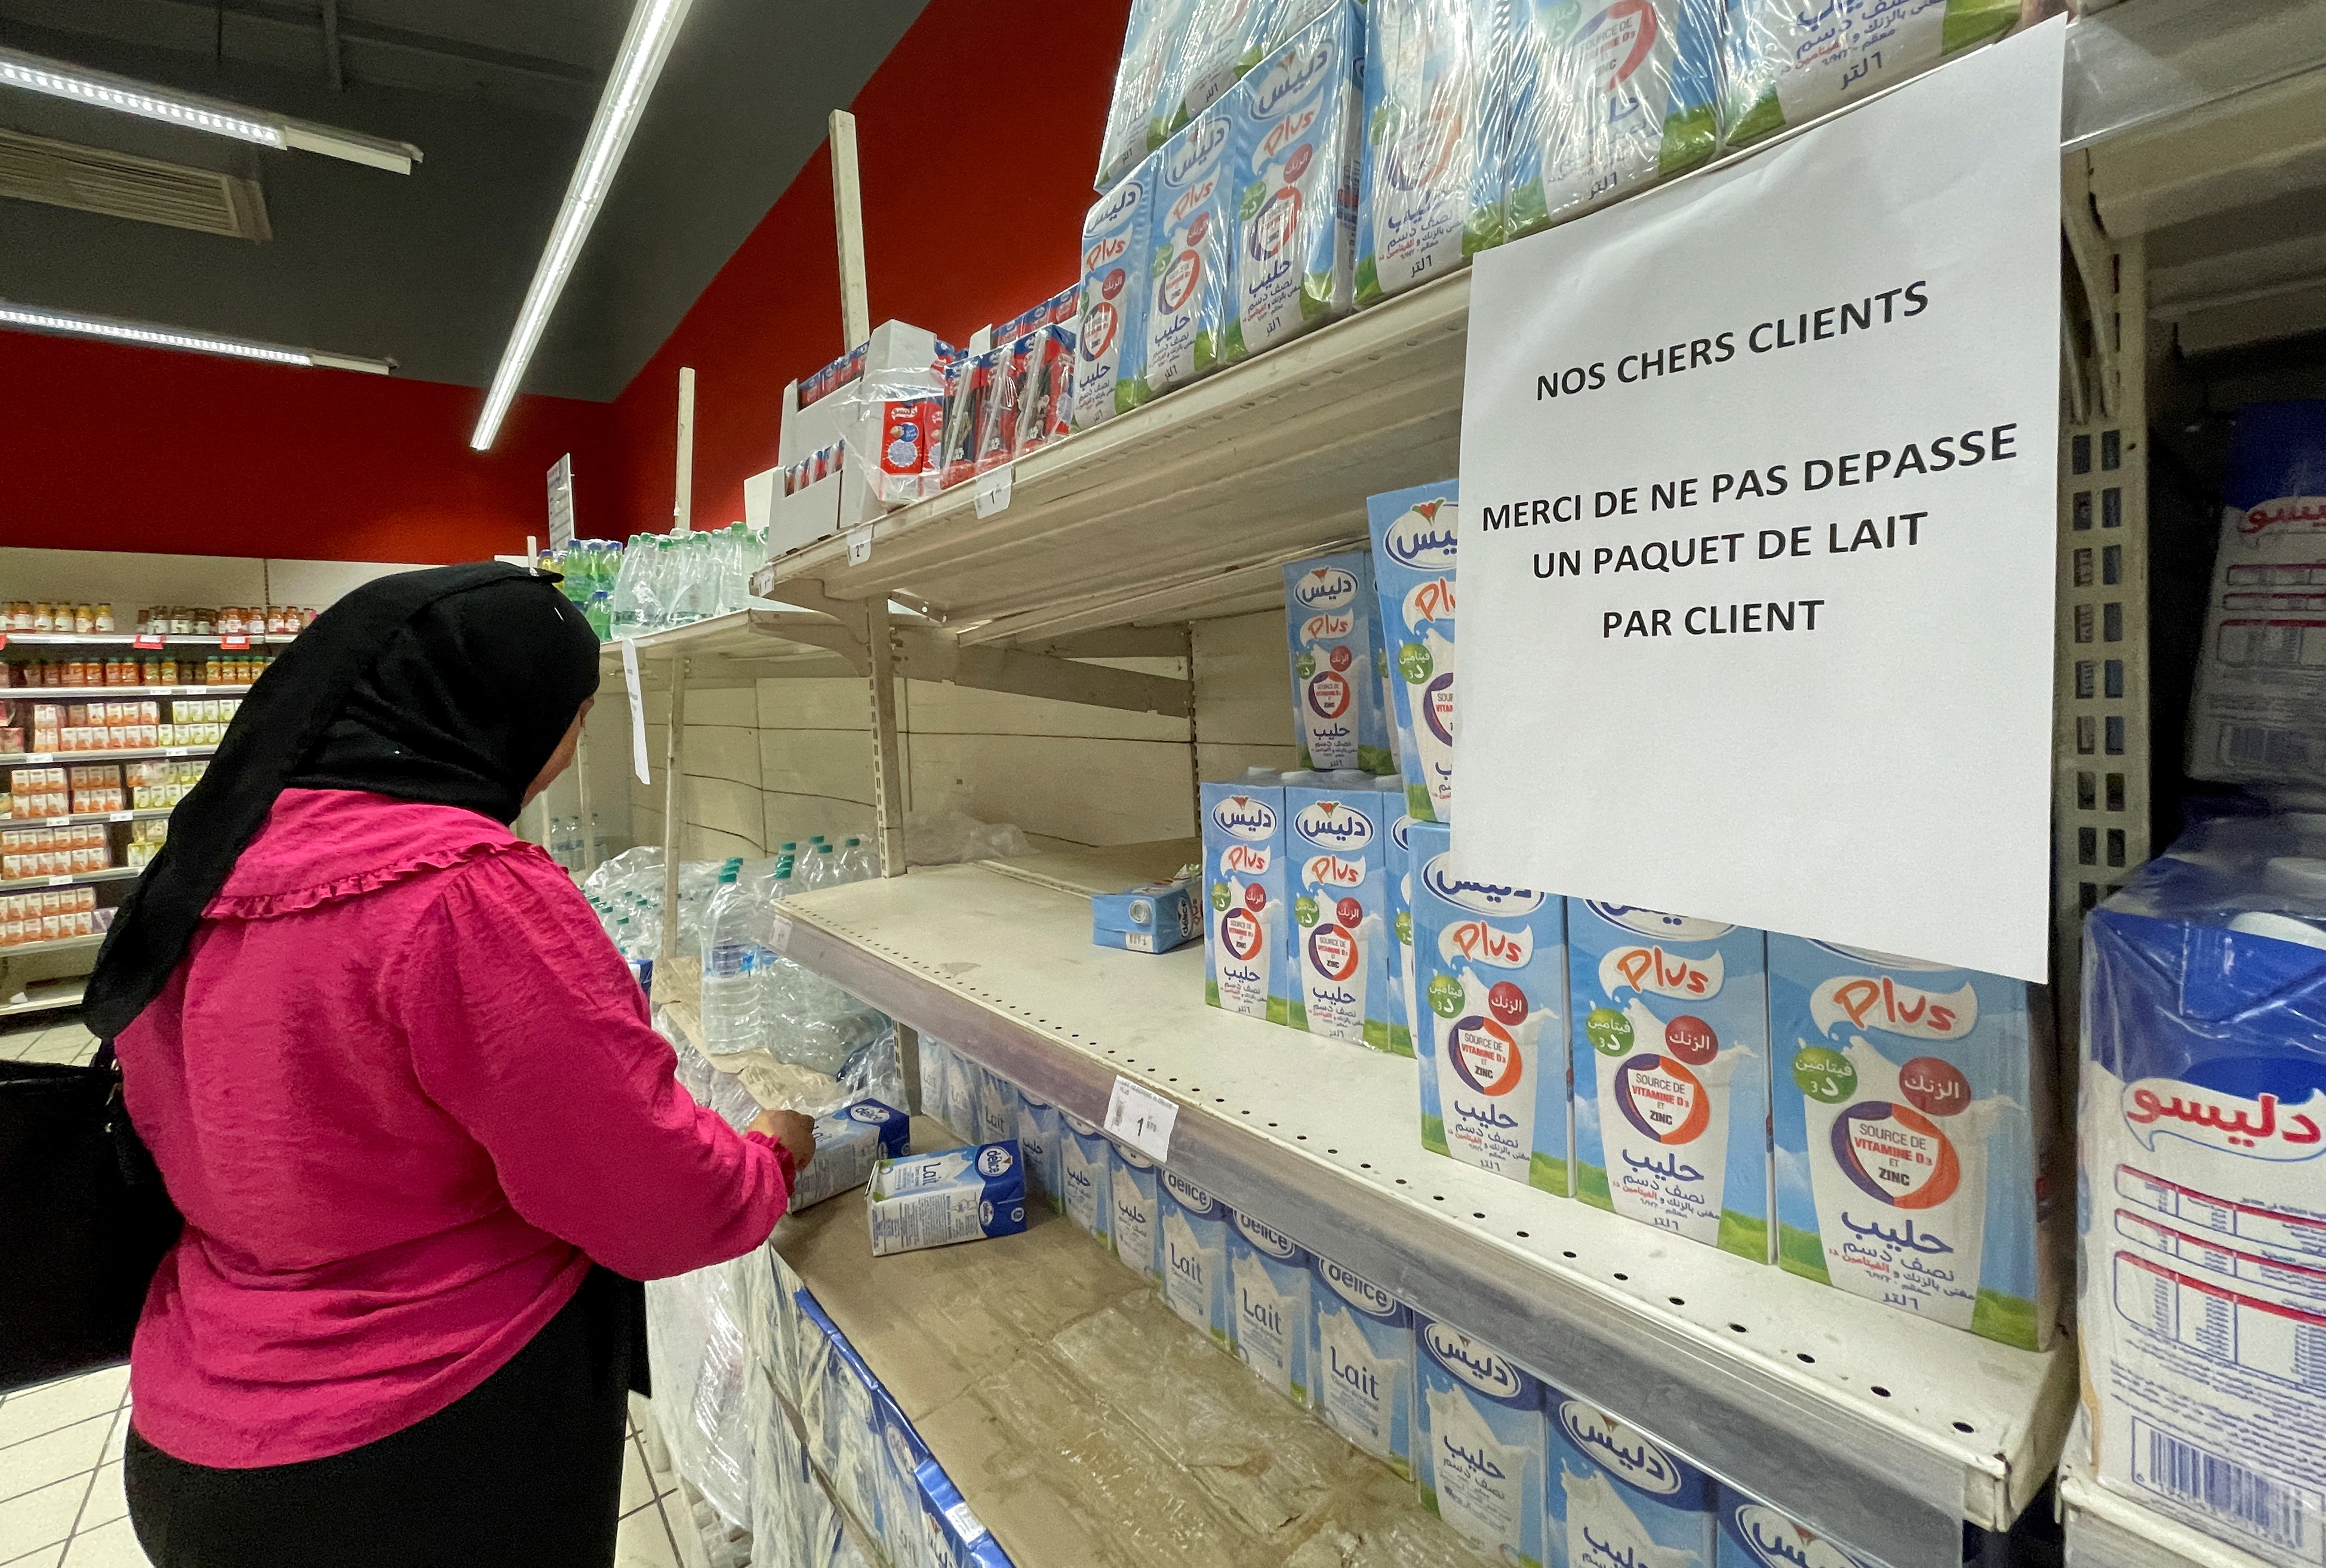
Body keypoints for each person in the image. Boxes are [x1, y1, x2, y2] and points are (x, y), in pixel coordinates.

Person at [84, 563, 816, 1567]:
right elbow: (647, 1197)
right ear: (496, 711)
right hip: (427, 1449)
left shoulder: (204, 864)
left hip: (197, 1432)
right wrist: (766, 1161)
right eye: (574, 714)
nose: (562, 755)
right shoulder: (464, 896)